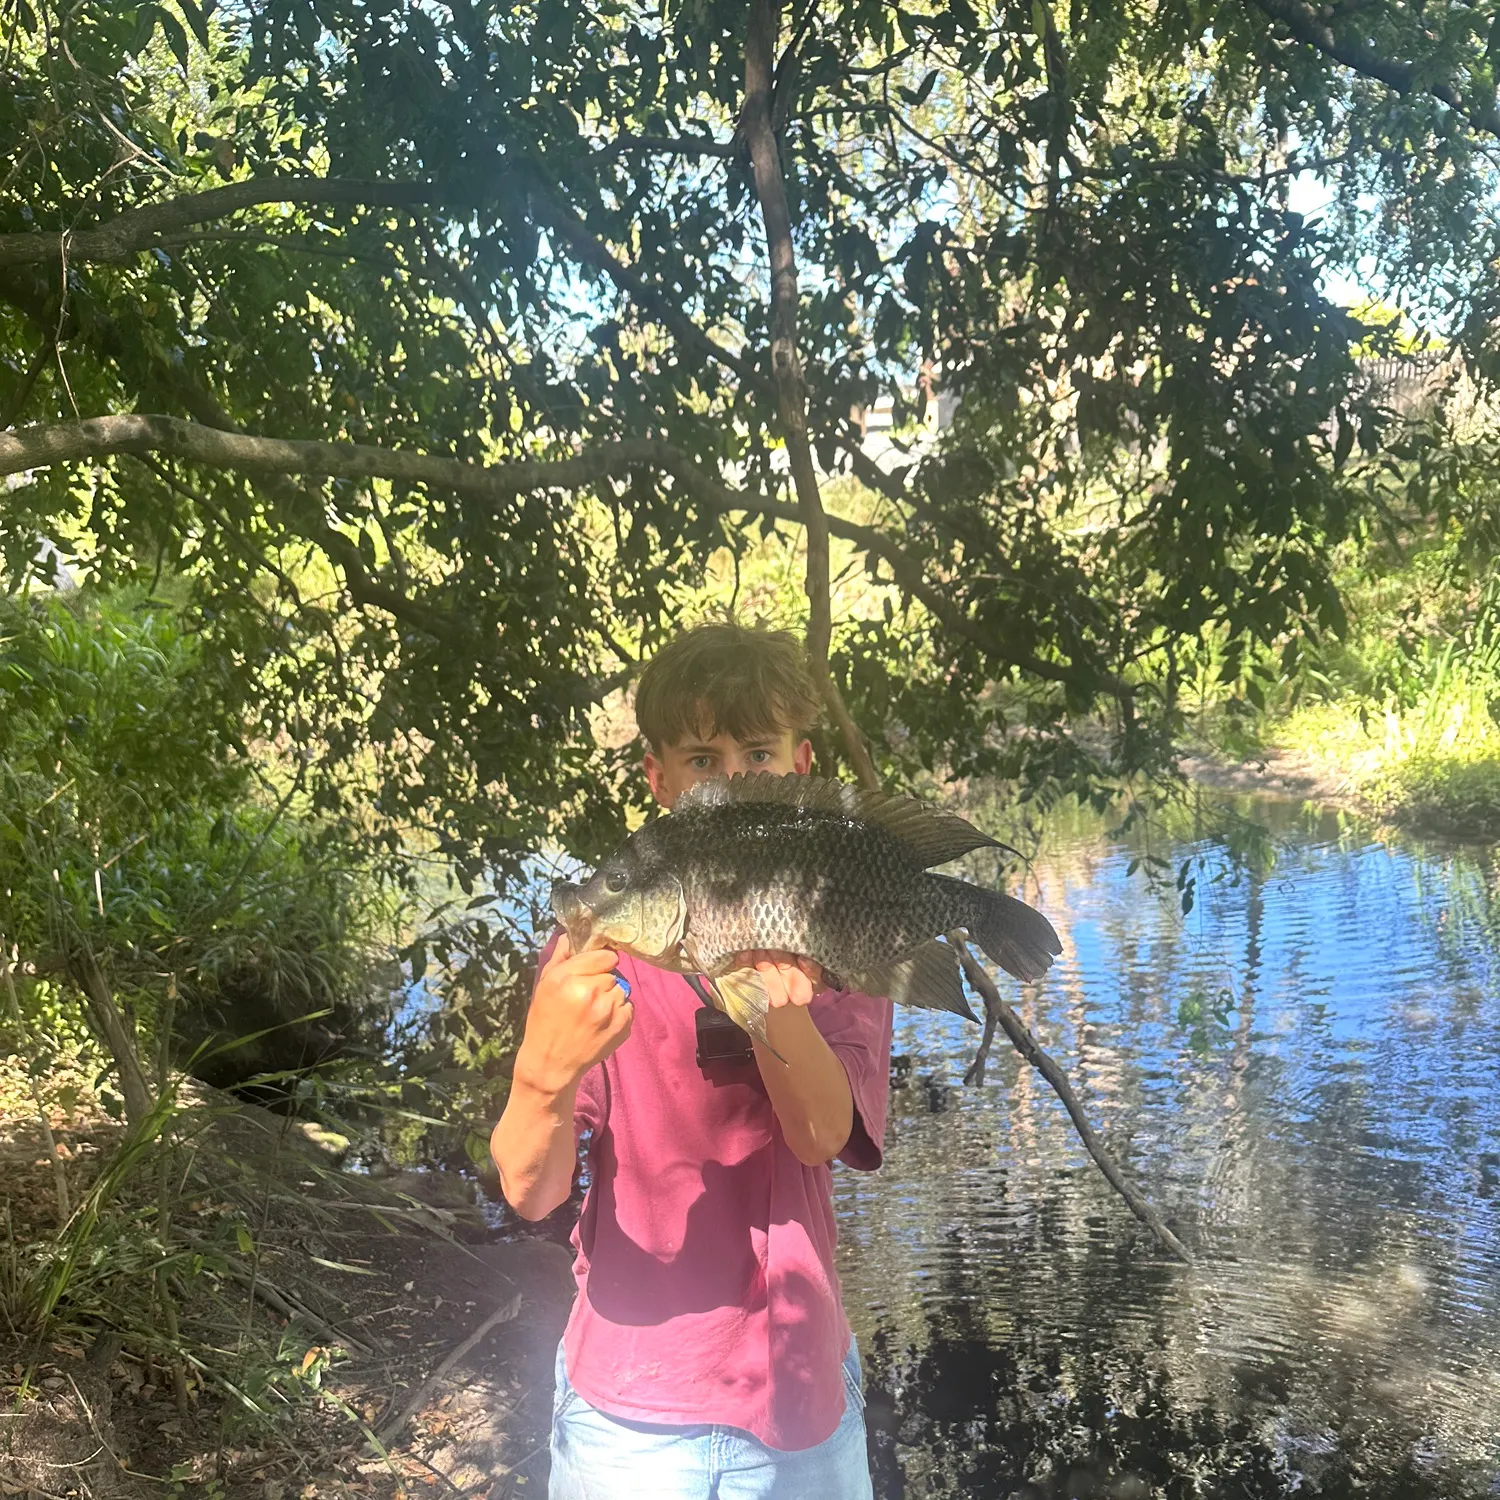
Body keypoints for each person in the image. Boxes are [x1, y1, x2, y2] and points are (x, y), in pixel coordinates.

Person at [491, 621, 893, 1500]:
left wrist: (771, 1005)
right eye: (702, 757)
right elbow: (532, 1191)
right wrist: (540, 1073)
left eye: (757, 749)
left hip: (799, 1397)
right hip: (626, 1418)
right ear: (658, 778)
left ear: (800, 765)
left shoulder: (840, 928)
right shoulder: (603, 947)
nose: (734, 776)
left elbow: (822, 1133)